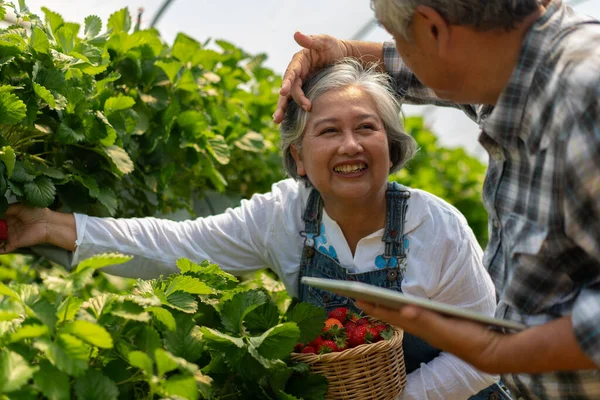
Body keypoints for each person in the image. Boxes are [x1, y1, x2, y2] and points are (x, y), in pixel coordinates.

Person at [1, 59, 501, 399]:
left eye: (367, 128)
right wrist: (48, 223)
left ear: (391, 149)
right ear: (299, 159)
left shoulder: (437, 229)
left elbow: (486, 353)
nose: (351, 145)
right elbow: (177, 245)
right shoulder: (283, 216)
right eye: (328, 131)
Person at [272, 0, 600, 399]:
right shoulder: (515, 71)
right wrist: (344, 51)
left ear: (433, 29)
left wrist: (500, 351)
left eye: (397, 39)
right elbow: (437, 70)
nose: (392, 54)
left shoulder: (583, 100)